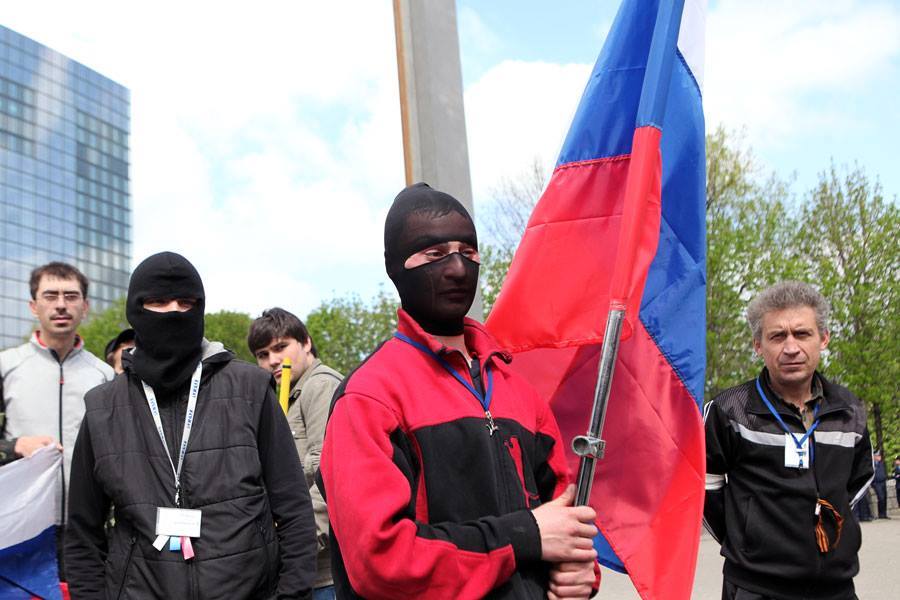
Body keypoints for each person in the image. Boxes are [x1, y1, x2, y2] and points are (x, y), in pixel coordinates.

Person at [320, 183, 598, 600]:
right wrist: (525, 536)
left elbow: (563, 518)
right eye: (434, 254)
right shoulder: (369, 397)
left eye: (468, 252)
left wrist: (581, 574)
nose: (457, 269)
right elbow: (379, 560)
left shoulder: (521, 394)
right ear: (396, 267)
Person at [65, 252, 317, 599]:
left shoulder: (251, 389)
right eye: (158, 302)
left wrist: (290, 595)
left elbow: (293, 508)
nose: (173, 312)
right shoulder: (102, 408)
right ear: (135, 310)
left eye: (186, 303)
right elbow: (82, 534)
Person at [704, 281, 875, 600]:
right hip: (756, 588)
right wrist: (746, 540)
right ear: (758, 345)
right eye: (778, 336)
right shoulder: (729, 410)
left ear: (824, 338)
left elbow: (858, 479)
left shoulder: (849, 410)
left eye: (802, 333)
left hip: (836, 587)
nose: (791, 347)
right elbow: (705, 484)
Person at [0, 262, 114, 578]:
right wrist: (15, 446)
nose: (61, 304)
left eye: (71, 296)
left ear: (85, 307)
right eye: (50, 296)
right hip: (17, 528)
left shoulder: (104, 374)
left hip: (87, 530)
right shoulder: (6, 366)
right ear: (33, 306)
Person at [249, 308, 343, 599]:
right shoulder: (283, 397)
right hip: (302, 570)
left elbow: (330, 479)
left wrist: (294, 547)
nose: (273, 360)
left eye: (281, 347)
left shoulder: (321, 386)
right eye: (263, 354)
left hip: (324, 572)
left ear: (306, 342)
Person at [872, 451, 889, 519]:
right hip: (877, 483)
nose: (880, 457)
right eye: (878, 456)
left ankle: (884, 514)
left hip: (883, 482)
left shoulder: (881, 463)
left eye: (880, 456)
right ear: (874, 457)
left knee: (884, 498)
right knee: (881, 498)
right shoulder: (872, 464)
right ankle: (881, 514)